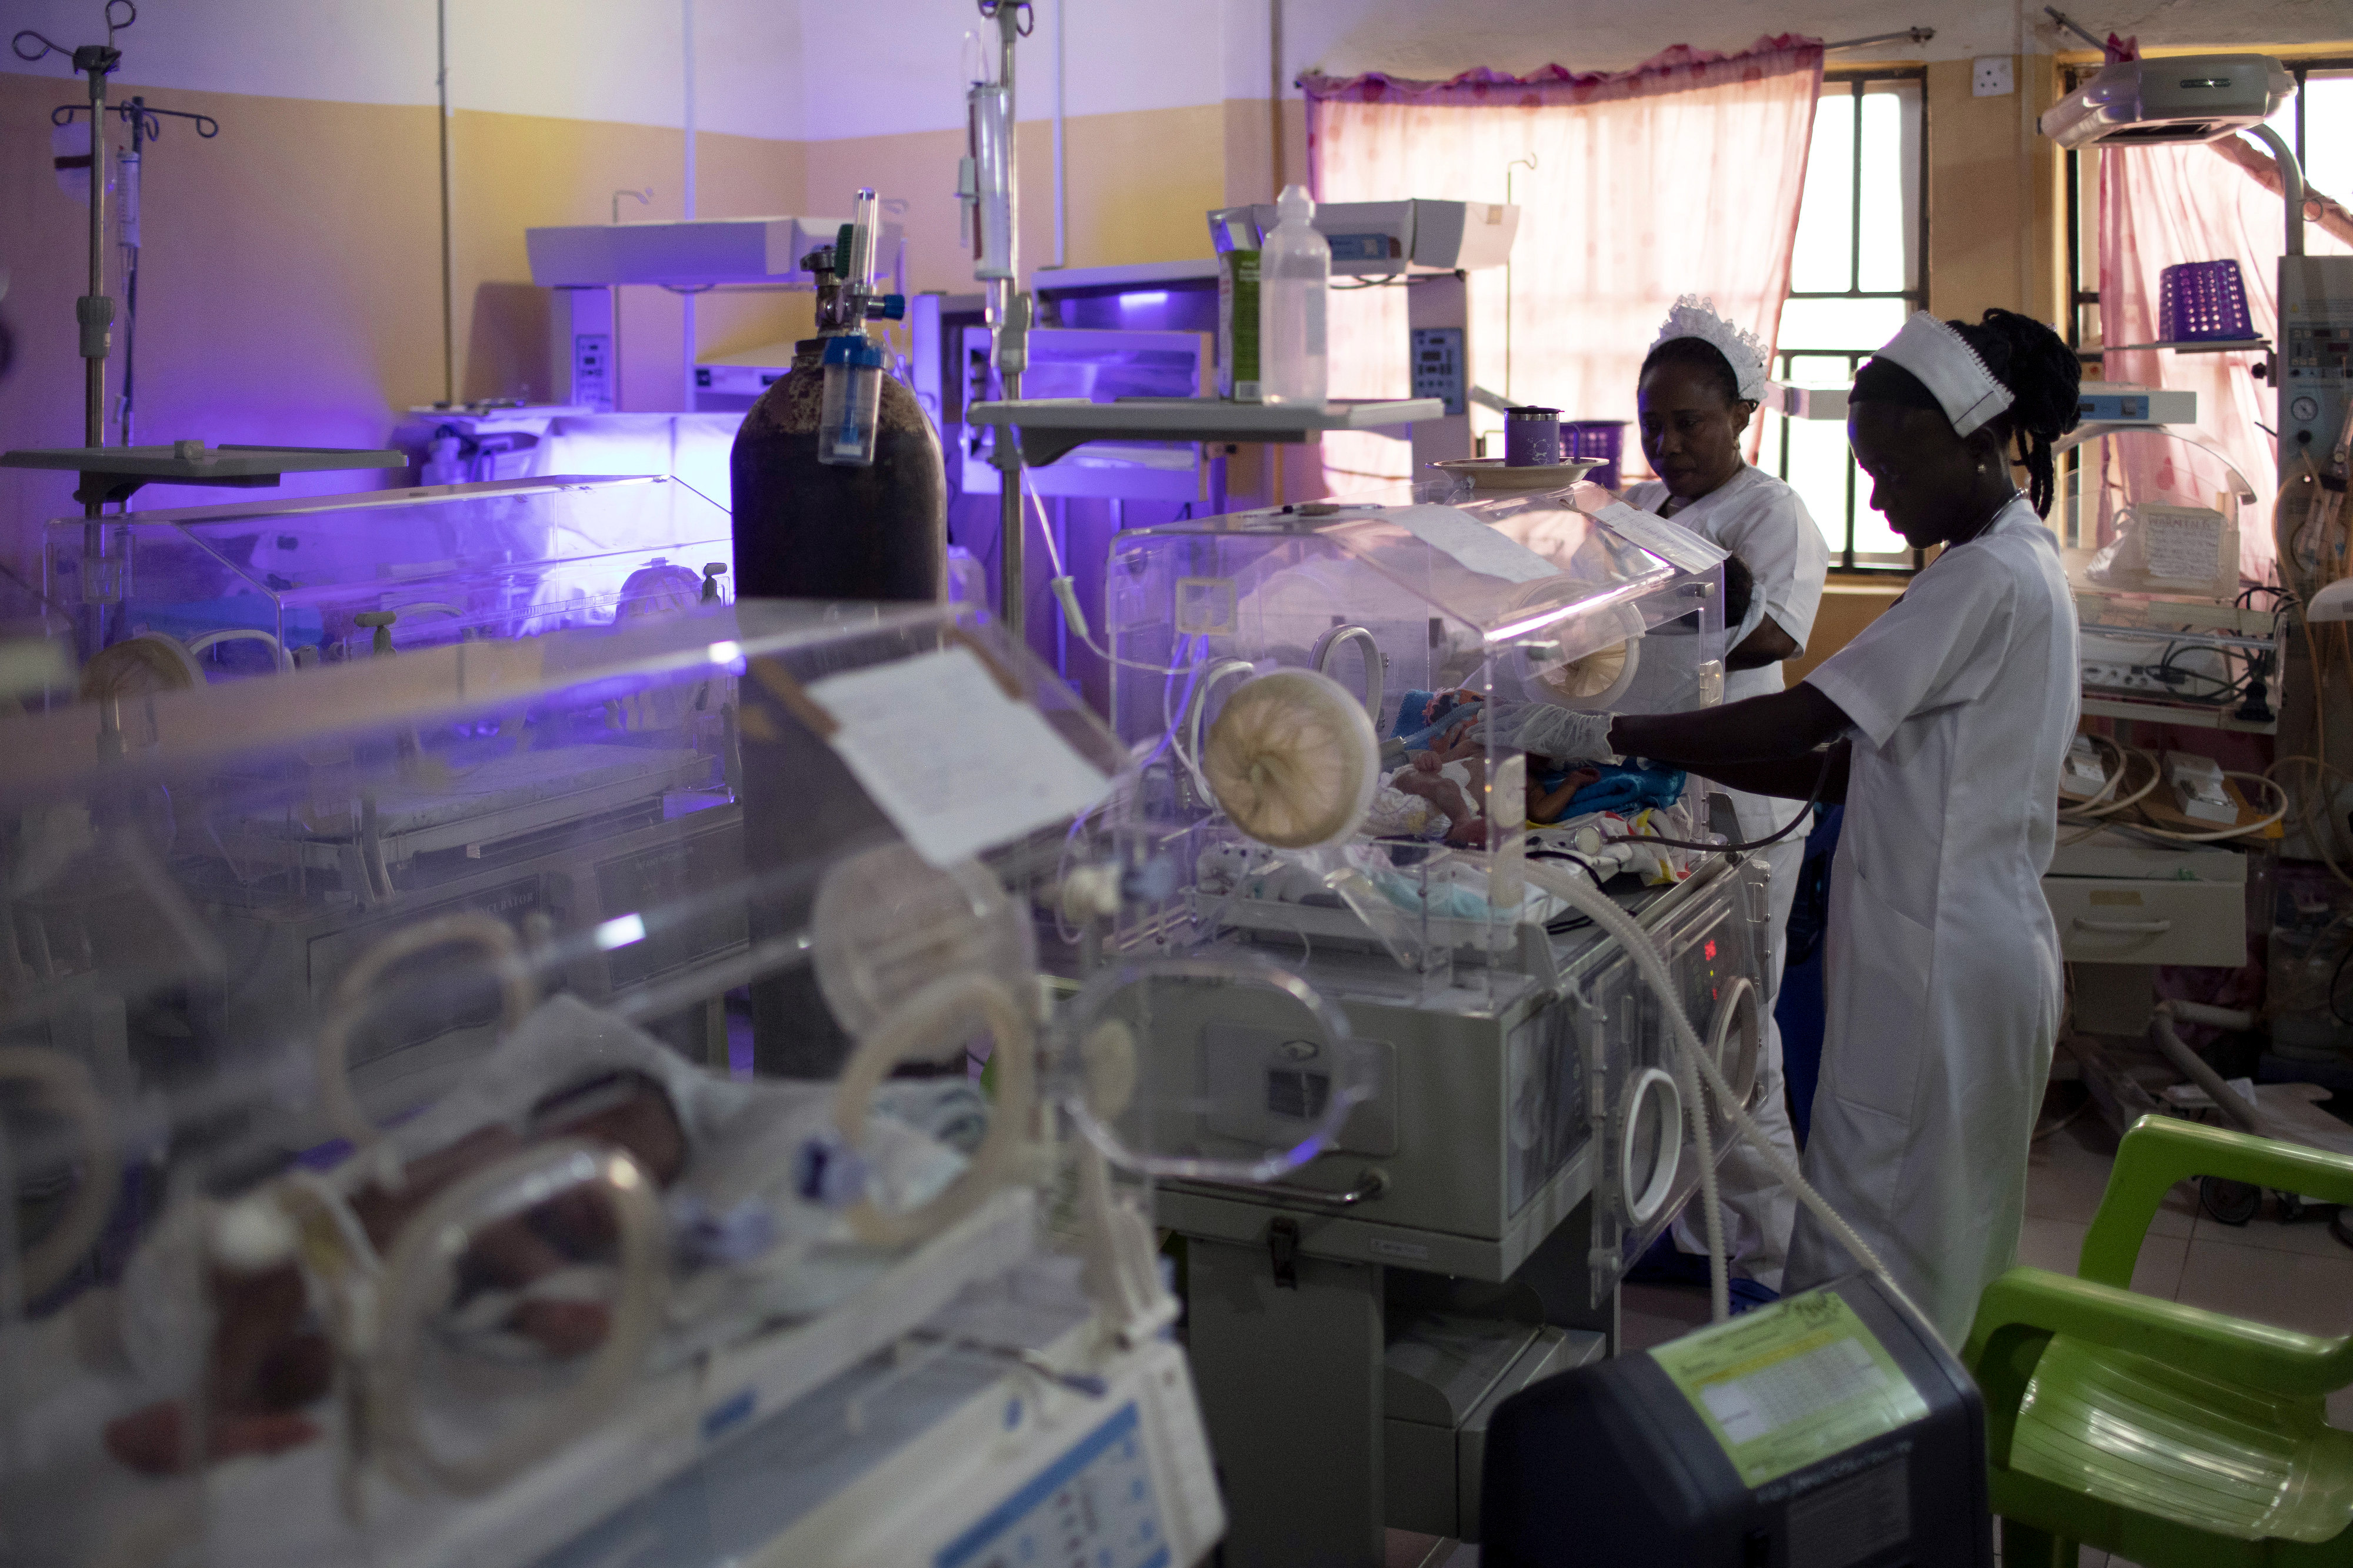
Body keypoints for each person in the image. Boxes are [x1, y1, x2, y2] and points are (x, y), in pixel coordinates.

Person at [1532, 308, 2081, 1346]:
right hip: (1962, 946)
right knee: (1941, 1243)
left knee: (1879, 1243)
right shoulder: (2012, 560)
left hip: (1941, 962)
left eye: (1892, 467)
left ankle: (1865, 1463)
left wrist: (1604, 730)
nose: (1879, 496)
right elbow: (1839, 765)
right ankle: (1915, 1446)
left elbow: (1806, 709)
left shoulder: (1983, 577)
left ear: (1975, 442)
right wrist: (1653, 751)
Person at [1624, 298, 1831, 1295]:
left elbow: (1774, 637)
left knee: (1740, 1029)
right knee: (1681, 1025)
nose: (1667, 445)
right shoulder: (1650, 511)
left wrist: (1643, 655)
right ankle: (1706, 1235)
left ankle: (1770, 1251)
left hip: (1743, 805)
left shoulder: (1769, 511)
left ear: (1741, 414)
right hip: (1674, 792)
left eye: (1688, 424)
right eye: (1651, 424)